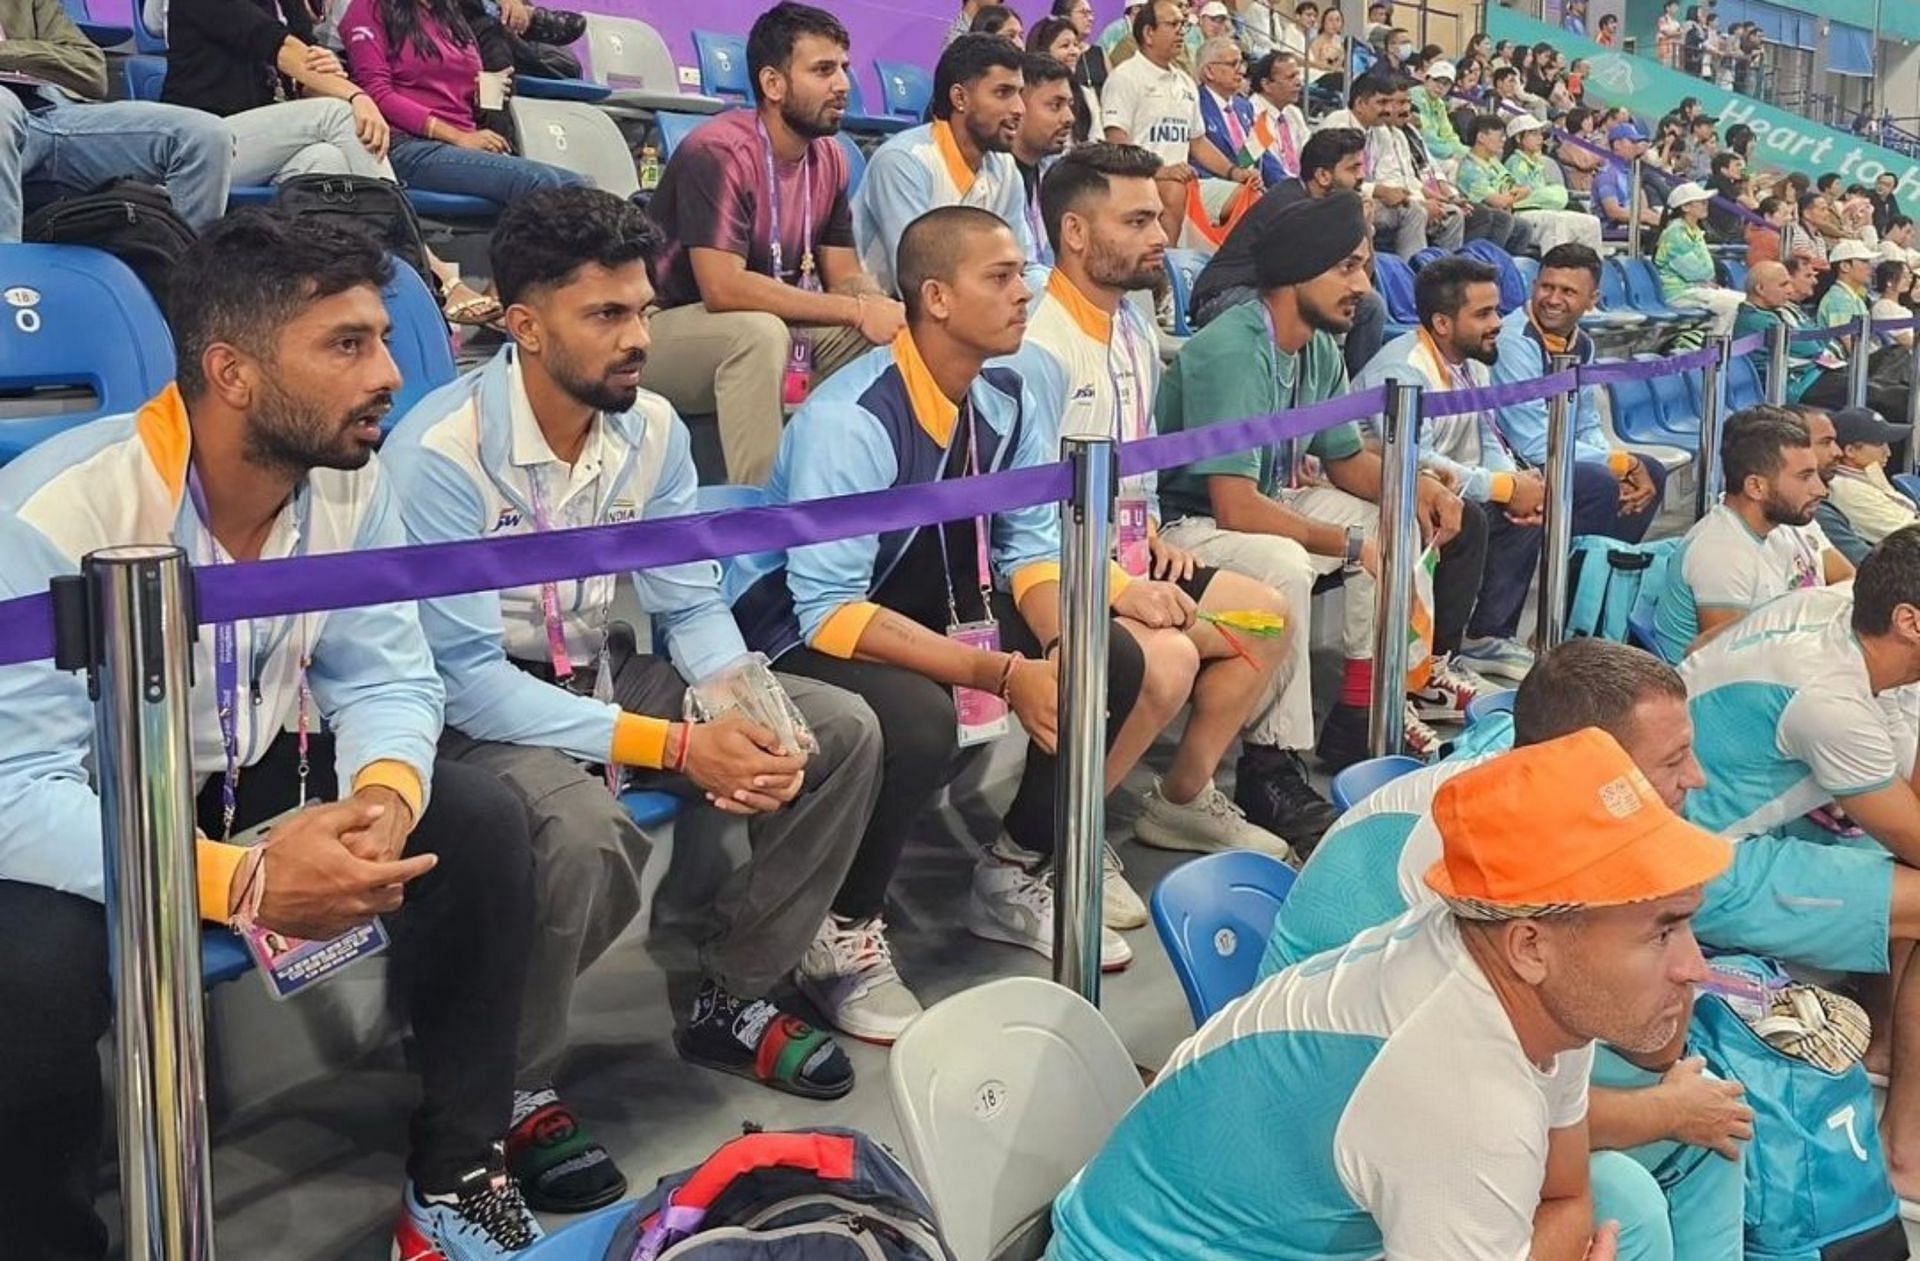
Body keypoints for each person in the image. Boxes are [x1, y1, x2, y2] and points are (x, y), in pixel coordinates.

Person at [0, 211, 542, 1258]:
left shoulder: (350, 477)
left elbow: (389, 671)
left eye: (384, 337)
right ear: (232, 373)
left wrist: (384, 800)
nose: (389, 372)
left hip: (250, 766)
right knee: (25, 970)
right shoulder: (57, 512)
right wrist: (235, 883)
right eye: (347, 345)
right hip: (83, 804)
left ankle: (456, 1170)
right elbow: (14, 787)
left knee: (474, 820)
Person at [385, 189, 897, 1196]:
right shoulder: (438, 460)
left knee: (834, 732)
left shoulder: (652, 426)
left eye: (644, 312)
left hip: (603, 671)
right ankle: (513, 1085)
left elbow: (689, 603)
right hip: (472, 715)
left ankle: (726, 992)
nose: (638, 340)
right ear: (525, 327)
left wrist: (742, 707)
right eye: (606, 317)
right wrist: (677, 747)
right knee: (579, 834)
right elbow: (470, 685)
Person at [1048, 725, 1728, 1261]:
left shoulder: (1541, 991)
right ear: (1529, 945)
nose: (1696, 966)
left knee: (1625, 1210)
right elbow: (1554, 1196)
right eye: (1662, 932)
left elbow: (1569, 1192)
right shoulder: (1459, 1087)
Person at [732, 205, 1201, 972]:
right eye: (1002, 276)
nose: (1026, 293)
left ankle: (1015, 867)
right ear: (937, 298)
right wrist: (1005, 674)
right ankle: (842, 925)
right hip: (805, 628)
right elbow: (826, 610)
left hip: (935, 600)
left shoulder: (1018, 389)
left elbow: (1028, 546)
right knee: (917, 719)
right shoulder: (850, 420)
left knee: (1102, 654)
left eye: (1024, 273)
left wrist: (1057, 646)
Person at [1259, 639, 1745, 1261]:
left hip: (1370, 1093)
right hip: (1332, 1121)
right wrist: (1662, 1111)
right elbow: (1630, 1056)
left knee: (1683, 1151)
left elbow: (1571, 1174)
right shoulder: (1491, 870)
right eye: (1674, 759)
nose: (1696, 777)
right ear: (1595, 769)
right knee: (1655, 1185)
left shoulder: (1537, 843)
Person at [1008, 143, 1321, 852]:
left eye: (1158, 217)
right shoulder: (1037, 341)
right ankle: (1045, 849)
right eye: (1139, 220)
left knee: (1264, 617)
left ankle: (1180, 797)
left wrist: (1147, 537)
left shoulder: (1135, 325)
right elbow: (1019, 519)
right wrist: (1118, 585)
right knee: (1170, 657)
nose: (1162, 236)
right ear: (1076, 233)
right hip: (1053, 571)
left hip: (1126, 554)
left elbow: (1134, 468)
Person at [1155, 192, 1490, 769]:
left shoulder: (1317, 347)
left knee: (1388, 512)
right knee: (1289, 557)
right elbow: (1234, 506)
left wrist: (1420, 490)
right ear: (1297, 271)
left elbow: (1346, 460)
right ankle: (1271, 764)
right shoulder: (1235, 349)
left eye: (1362, 266)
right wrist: (1352, 545)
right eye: (1348, 268)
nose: (1364, 286)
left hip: (1264, 501)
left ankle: (1361, 712)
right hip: (1185, 526)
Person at [1678, 533, 1920, 1197]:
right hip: (1695, 868)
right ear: (1910, 622)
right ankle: (1907, 1151)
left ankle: (1887, 1051)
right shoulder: (1830, 699)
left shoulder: (1847, 619)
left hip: (1717, 834)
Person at [642, 3, 906, 488]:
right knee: (759, 334)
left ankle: (843, 484)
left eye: (844, 67)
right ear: (773, 84)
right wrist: (851, 311)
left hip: (776, 330)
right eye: (823, 70)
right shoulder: (719, 152)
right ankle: (762, 522)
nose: (843, 84)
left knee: (891, 336)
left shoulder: (831, 157)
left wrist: (875, 306)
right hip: (659, 332)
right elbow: (723, 289)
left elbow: (844, 272)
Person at [1353, 256, 1540, 683]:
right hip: (1379, 483)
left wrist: (1512, 483)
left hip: (1445, 481)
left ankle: (1485, 634)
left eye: (1497, 310)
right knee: (1470, 514)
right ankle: (1437, 663)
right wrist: (1502, 487)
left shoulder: (1473, 358)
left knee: (1523, 503)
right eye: (1483, 314)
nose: (1497, 323)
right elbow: (1416, 458)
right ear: (1442, 323)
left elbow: (1489, 439)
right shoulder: (1404, 369)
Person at [1492, 244, 1668, 570]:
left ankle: (1599, 583)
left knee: (1650, 471)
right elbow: (1529, 440)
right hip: (1516, 461)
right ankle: (1572, 591)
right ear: (1534, 286)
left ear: (1593, 299)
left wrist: (1617, 464)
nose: (1553, 299)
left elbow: (1585, 421)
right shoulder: (1514, 340)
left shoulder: (1582, 343)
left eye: (1568, 291)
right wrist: (1615, 465)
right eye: (1546, 287)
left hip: (1558, 453)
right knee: (1599, 483)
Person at [0, 0, 230, 241]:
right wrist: (38, 57)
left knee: (206, 135)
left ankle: (187, 273)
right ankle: (9, 272)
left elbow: (91, 68)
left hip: (53, 110)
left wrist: (7, 53)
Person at [1186, 127, 1388, 380]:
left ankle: (1354, 394)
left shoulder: (1328, 208)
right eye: (1353, 169)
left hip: (1270, 293)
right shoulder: (1291, 204)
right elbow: (1313, 280)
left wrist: (1362, 226)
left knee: (1370, 305)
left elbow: (1361, 277)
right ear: (1323, 175)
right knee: (1314, 304)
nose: (1362, 177)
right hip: (1226, 296)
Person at [337, 0, 585, 205]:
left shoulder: (450, 14)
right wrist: (457, 136)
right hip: (408, 146)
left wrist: (479, 99)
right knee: (539, 182)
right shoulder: (368, 9)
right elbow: (376, 93)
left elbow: (458, 94)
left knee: (578, 187)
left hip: (461, 142)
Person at [854, 34, 1041, 299]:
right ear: (960, 98)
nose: (1020, 108)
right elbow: (918, 282)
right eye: (1003, 93)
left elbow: (1023, 266)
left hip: (970, 310)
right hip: (893, 316)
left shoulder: (1006, 167)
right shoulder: (903, 161)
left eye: (1020, 94)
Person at [1653, 408, 1842, 660]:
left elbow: (1851, 585)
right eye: (1805, 477)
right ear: (1755, 487)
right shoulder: (1720, 552)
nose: (1821, 490)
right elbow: (1736, 665)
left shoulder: (1782, 525)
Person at [1101, 1, 1257, 248]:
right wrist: (1159, 171)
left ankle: (1231, 272)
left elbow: (1197, 142)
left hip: (1184, 182)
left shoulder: (1185, 82)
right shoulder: (1125, 77)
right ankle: (1165, 274)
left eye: (1183, 24)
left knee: (1251, 195)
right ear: (1148, 33)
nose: (1181, 31)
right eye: (1173, 24)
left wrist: (1235, 172)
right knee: (1173, 188)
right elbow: (1116, 142)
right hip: (1138, 180)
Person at [1321, 74, 1462, 260]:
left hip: (1372, 197)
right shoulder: (1338, 123)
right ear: (1360, 103)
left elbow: (1393, 178)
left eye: (1390, 103)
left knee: (1451, 213)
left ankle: (1446, 273)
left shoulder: (1379, 132)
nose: (1388, 110)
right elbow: (1333, 178)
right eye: (1381, 103)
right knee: (1414, 212)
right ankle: (1411, 275)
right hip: (1339, 198)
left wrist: (1418, 198)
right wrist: (1384, 192)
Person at [1455, 113, 1598, 255]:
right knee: (1553, 223)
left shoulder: (1494, 162)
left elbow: (1519, 190)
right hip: (1491, 218)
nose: (1503, 140)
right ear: (1481, 137)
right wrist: (1517, 195)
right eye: (1499, 136)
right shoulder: (1471, 168)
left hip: (1510, 213)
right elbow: (1500, 201)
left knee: (1591, 222)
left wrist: (1516, 194)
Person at [1818, 406, 1920, 560]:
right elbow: (1909, 533)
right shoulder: (1847, 489)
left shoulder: (1869, 476)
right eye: (1880, 444)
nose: (1888, 452)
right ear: (1850, 451)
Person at [1011, 51, 1078, 264]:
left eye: (1070, 105)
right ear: (1018, 107)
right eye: (1055, 105)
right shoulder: (991, 175)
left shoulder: (1058, 174)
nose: (1069, 118)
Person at [1195, 36, 1286, 189]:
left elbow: (1260, 153)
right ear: (1209, 71)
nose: (1242, 70)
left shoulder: (1244, 106)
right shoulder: (1196, 104)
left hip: (1253, 187)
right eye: (1233, 64)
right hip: (1216, 188)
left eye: (1242, 63)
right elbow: (1197, 160)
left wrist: (1287, 186)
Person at [1656, 182, 1745, 336]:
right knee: (1730, 304)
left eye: (1706, 202)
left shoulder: (1694, 230)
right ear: (1685, 207)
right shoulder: (1675, 233)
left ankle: (1715, 344)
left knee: (1744, 300)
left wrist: (1705, 278)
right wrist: (1704, 279)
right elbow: (1697, 272)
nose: (1706, 205)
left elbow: (1705, 270)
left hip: (1694, 288)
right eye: (1701, 202)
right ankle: (1715, 351)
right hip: (1677, 292)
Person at [1595, 122, 1662, 248]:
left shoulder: (1631, 173)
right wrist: (1645, 217)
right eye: (1632, 142)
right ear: (1617, 144)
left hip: (1632, 225)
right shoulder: (1607, 174)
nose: (1636, 147)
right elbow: (1613, 212)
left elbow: (1643, 207)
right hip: (1611, 229)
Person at [1246, 49, 1309, 181]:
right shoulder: (1252, 113)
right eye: (1291, 77)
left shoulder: (1293, 112)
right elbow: (1263, 166)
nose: (1299, 83)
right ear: (1267, 85)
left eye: (1298, 76)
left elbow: (1310, 153)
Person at [1027, 18, 1094, 142]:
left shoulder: (1086, 94)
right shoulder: (1027, 91)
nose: (1074, 52)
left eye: (1076, 45)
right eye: (1065, 45)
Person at [1409, 57, 1463, 162]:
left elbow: (1448, 134)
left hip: (1436, 153)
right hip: (1418, 152)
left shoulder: (1439, 103)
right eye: (1437, 80)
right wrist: (1452, 153)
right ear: (1426, 79)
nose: (1440, 87)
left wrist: (1467, 153)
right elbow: (1426, 136)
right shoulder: (1416, 96)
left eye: (1446, 84)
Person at [1873, 259, 1915, 349]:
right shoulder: (1883, 307)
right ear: (1889, 281)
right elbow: (1905, 340)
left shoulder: (1897, 306)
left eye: (1909, 276)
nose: (1909, 280)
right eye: (1904, 276)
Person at [1656, 0, 1683, 69]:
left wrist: (1677, 33)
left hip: (1675, 51)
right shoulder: (1663, 19)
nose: (1676, 9)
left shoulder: (1676, 22)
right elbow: (1668, 33)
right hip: (1666, 51)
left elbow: (1680, 35)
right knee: (1665, 71)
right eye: (1674, 6)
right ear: (1668, 8)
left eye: (1677, 7)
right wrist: (1678, 33)